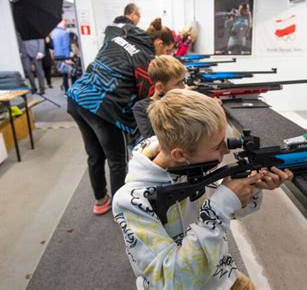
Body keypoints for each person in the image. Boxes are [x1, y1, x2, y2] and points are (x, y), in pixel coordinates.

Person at [113, 89, 294, 289]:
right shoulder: (131, 201)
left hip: (226, 277)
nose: (226, 150)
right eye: (218, 147)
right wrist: (220, 205)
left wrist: (251, 187)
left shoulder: (191, 164)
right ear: (180, 154)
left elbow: (229, 211)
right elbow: (171, 281)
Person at [67, 17, 174, 215]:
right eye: (167, 50)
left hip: (77, 97)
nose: (165, 55)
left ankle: (101, 201)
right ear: (159, 43)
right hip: (103, 107)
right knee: (116, 160)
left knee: (94, 155)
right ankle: (120, 209)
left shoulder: (120, 37)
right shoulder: (145, 58)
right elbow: (145, 100)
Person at [132, 55, 186, 139]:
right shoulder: (141, 108)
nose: (183, 87)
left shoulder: (185, 99)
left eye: (183, 81)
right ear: (160, 87)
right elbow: (152, 138)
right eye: (177, 84)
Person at [51, 20, 72, 92]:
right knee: (68, 73)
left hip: (57, 55)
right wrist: (68, 58)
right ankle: (67, 90)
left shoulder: (54, 32)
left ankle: (64, 86)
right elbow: (66, 46)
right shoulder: (64, 33)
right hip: (64, 55)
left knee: (64, 72)